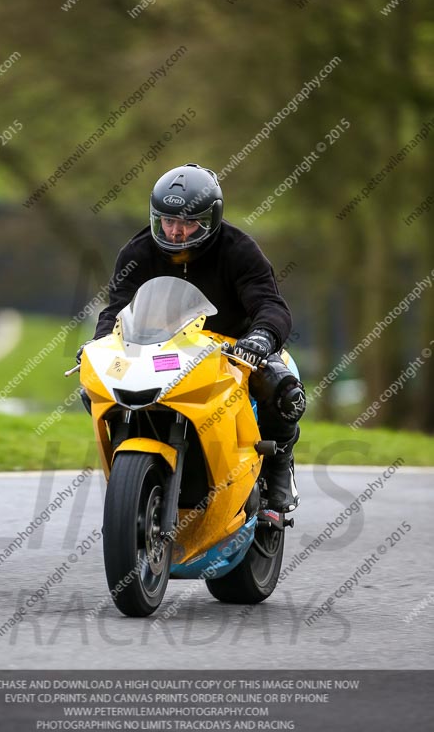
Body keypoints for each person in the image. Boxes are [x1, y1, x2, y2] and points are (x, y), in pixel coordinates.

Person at [79, 163, 306, 512]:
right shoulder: (137, 252)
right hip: (158, 346)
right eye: (167, 221)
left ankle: (279, 465)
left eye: (188, 222)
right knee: (95, 387)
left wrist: (261, 337)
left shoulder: (239, 250)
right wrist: (99, 345)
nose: (175, 232)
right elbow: (116, 309)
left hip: (233, 348)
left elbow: (270, 305)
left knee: (283, 387)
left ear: (211, 218)